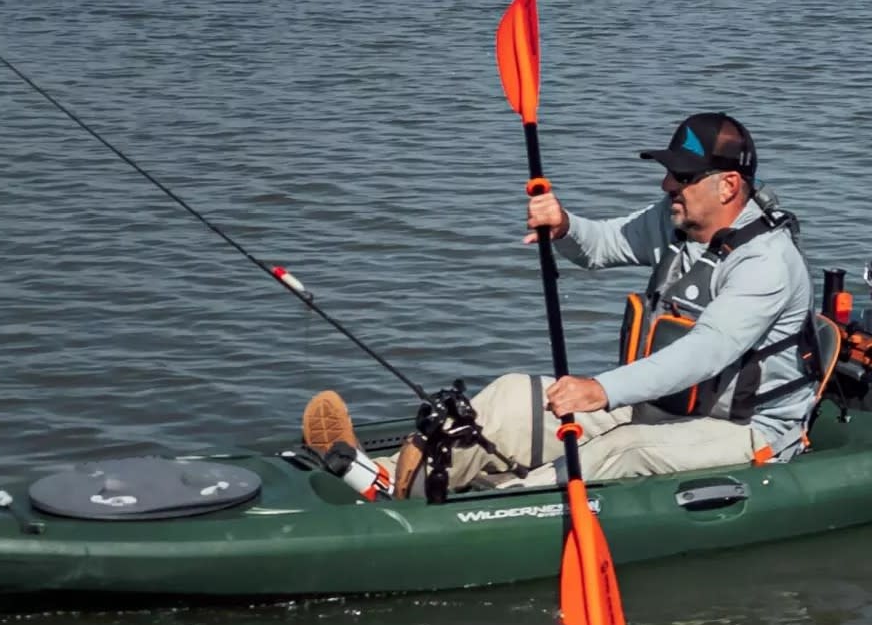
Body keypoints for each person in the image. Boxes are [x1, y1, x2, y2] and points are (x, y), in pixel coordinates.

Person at [301, 112, 817, 497]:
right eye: (669, 173)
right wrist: (564, 225)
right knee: (510, 396)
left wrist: (602, 389)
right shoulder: (675, 222)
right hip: (662, 406)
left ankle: (479, 504)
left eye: (682, 177)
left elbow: (704, 354)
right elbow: (603, 245)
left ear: (728, 185)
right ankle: (394, 477)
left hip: (746, 432)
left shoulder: (766, 263)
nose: (667, 185)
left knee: (619, 449)